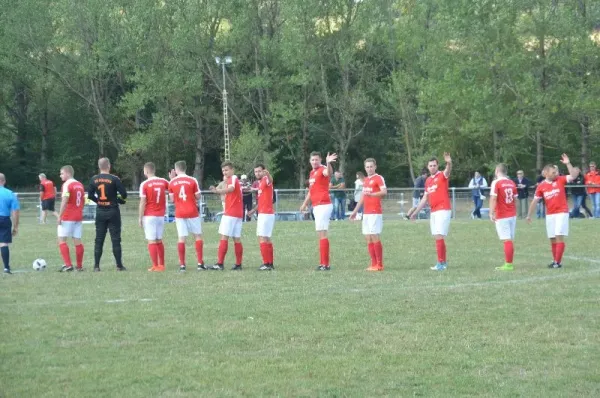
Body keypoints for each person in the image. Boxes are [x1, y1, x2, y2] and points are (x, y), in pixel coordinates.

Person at [526, 154, 579, 268]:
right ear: (546, 173)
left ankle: (557, 263)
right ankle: (555, 260)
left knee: (559, 235)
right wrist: (529, 215)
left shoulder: (560, 180)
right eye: (553, 172)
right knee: (552, 238)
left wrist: (568, 163)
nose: (556, 174)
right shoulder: (541, 186)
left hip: (562, 212)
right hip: (550, 214)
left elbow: (574, 175)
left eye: (556, 172)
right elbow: (535, 201)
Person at [410, 153, 453, 271]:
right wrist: (415, 212)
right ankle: (443, 262)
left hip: (443, 209)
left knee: (439, 235)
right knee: (437, 236)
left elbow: (448, 171)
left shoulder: (442, 176)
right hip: (433, 211)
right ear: (428, 167)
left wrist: (449, 162)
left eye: (434, 165)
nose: (432, 167)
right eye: (430, 165)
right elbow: (425, 198)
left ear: (438, 166)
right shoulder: (428, 180)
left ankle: (440, 263)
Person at [87, 157, 128, 271]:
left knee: (99, 239)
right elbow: (124, 194)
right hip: (113, 211)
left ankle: (96, 266)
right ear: (109, 166)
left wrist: (99, 201)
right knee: (115, 239)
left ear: (99, 167)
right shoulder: (114, 179)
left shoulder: (93, 179)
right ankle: (119, 265)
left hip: (100, 211)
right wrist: (118, 200)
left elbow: (90, 195)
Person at [300, 151, 337, 271]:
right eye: (312, 160)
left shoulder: (322, 169)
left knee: (322, 233)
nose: (314, 161)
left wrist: (328, 163)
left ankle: (325, 264)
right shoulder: (312, 172)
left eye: (316, 159)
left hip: (323, 204)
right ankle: (323, 263)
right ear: (310, 161)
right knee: (321, 233)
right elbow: (311, 191)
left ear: (320, 160)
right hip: (317, 205)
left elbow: (329, 173)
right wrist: (305, 204)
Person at [350, 158, 387, 271]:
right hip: (366, 212)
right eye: (367, 167)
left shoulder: (378, 178)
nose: (369, 169)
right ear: (365, 168)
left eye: (371, 166)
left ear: (375, 167)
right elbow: (363, 197)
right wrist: (355, 211)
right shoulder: (366, 180)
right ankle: (373, 263)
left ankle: (379, 264)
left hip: (375, 212)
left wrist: (373, 194)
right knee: (368, 237)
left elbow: (384, 192)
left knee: (374, 235)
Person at [168, 161, 204, 272]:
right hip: (192, 211)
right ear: (185, 168)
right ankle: (199, 264)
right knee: (197, 236)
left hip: (180, 212)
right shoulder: (192, 180)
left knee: (181, 238)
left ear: (176, 169)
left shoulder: (172, 182)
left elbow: (172, 199)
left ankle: (182, 265)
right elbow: (198, 196)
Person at [209, 161, 244, 270]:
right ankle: (238, 264)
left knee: (224, 237)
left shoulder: (233, 178)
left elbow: (231, 189)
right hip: (237, 213)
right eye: (223, 170)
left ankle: (220, 264)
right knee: (236, 239)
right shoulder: (230, 179)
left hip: (231, 213)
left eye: (227, 170)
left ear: (232, 170)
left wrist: (218, 191)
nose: (225, 172)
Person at [139, 162, 170, 272]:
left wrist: (140, 217)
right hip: (160, 215)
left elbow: (143, 202)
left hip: (149, 215)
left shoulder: (145, 184)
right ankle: (162, 264)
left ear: (146, 171)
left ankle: (155, 265)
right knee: (159, 240)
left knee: (151, 241)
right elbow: (172, 188)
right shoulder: (163, 181)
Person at [489, 164, 517, 271]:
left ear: (497, 171)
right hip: (512, 214)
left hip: (502, 214)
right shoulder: (511, 182)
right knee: (509, 239)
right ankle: (509, 263)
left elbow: (493, 198)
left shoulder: (496, 182)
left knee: (506, 240)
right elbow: (515, 199)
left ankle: (508, 264)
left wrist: (491, 212)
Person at [57, 166, 86, 272]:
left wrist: (60, 215)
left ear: (68, 173)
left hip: (68, 215)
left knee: (61, 240)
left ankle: (68, 265)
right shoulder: (80, 184)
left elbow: (65, 200)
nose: (60, 175)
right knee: (77, 240)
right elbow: (82, 201)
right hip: (78, 216)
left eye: (61, 173)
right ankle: (79, 266)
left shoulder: (67, 184)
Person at [247, 164, 275, 270]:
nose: (257, 173)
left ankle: (266, 263)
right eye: (256, 172)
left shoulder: (266, 179)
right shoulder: (260, 183)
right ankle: (270, 263)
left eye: (259, 171)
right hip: (264, 213)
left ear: (263, 171)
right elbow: (262, 201)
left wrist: (267, 173)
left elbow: (271, 180)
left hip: (266, 213)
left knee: (262, 237)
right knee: (266, 237)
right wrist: (253, 210)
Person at [0, 173, 20, 274]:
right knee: (3, 243)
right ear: (4, 181)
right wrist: (15, 226)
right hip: (4, 219)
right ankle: (6, 268)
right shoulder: (10, 193)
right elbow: (15, 212)